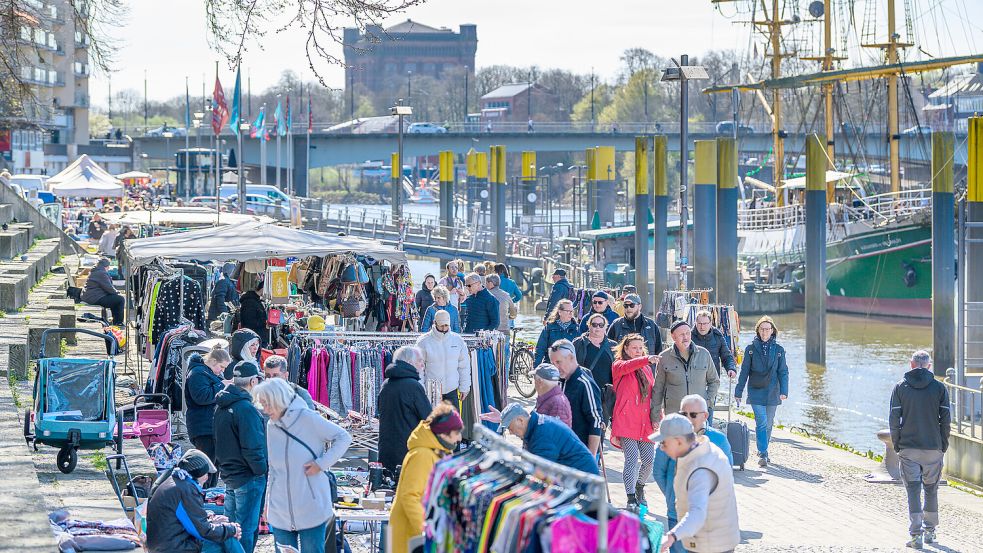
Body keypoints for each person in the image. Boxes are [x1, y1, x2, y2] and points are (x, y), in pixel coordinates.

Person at [252, 378, 352, 553]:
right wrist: (268, 503)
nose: (265, 410)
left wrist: (321, 464)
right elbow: (273, 468)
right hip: (280, 508)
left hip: (311, 506)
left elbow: (343, 437)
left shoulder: (308, 418)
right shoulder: (271, 426)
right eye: (262, 405)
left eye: (267, 404)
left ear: (279, 399)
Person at [653, 395, 733, 552]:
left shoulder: (719, 439)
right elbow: (658, 472)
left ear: (705, 415)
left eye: (693, 414)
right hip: (677, 512)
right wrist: (673, 494)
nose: (688, 418)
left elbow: (726, 474)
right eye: (684, 414)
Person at [889, 350, 950, 549]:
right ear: (929, 366)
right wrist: (943, 444)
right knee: (931, 489)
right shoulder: (940, 388)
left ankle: (916, 536)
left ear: (911, 364)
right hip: (933, 447)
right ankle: (931, 531)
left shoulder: (900, 388)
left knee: (913, 490)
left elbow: (894, 420)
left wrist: (897, 443)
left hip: (908, 448)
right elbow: (946, 421)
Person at [390, 403, 464, 553]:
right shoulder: (423, 455)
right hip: (412, 533)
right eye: (457, 432)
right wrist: (427, 530)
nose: (460, 438)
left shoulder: (437, 452)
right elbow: (410, 496)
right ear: (444, 433)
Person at [213, 361, 268, 553]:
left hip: (230, 473)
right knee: (244, 529)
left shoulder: (222, 404)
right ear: (253, 381)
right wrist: (261, 471)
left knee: (232, 528)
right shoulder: (246, 409)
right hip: (247, 476)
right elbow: (253, 446)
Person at [146, 449, 243, 553]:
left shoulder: (176, 481)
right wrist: (232, 529)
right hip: (173, 548)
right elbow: (203, 531)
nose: (207, 478)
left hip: (166, 543)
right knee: (228, 539)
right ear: (200, 474)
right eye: (206, 474)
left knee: (226, 535)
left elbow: (188, 520)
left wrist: (210, 520)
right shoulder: (186, 489)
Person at [611, 333, 660, 511]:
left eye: (641, 348)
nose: (638, 351)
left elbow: (653, 394)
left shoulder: (646, 368)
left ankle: (640, 486)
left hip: (645, 422)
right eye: (634, 348)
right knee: (631, 459)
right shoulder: (619, 366)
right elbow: (629, 366)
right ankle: (630, 497)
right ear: (625, 349)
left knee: (648, 461)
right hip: (626, 421)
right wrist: (647, 358)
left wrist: (657, 418)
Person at [734, 315, 789, 468]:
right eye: (762, 329)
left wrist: (784, 390)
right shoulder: (750, 350)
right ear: (758, 330)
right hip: (756, 391)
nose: (765, 332)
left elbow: (783, 371)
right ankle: (763, 453)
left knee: (769, 423)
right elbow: (744, 372)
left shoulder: (779, 350)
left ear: (772, 331)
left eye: (767, 329)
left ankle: (763, 450)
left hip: (773, 391)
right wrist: (738, 391)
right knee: (762, 422)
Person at [493, 403, 599, 475]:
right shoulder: (536, 426)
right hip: (577, 475)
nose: (511, 433)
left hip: (584, 481)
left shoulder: (541, 434)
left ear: (520, 420)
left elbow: (542, 473)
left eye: (510, 428)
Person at [377, 346, 433, 472]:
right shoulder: (414, 386)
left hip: (387, 450)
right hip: (407, 452)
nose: (422, 365)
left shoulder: (386, 384)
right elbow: (429, 419)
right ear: (409, 363)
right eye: (419, 361)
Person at [184, 346, 232, 487]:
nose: (222, 371)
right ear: (213, 361)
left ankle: (208, 494)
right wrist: (221, 386)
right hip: (203, 426)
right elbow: (201, 397)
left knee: (213, 465)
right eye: (221, 367)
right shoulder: (197, 373)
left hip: (209, 425)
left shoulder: (206, 372)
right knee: (205, 466)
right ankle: (201, 495)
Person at [654, 320, 720, 421]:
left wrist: (707, 401)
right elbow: (658, 388)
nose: (685, 337)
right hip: (674, 415)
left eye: (688, 333)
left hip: (698, 414)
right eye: (681, 334)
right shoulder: (664, 357)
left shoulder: (704, 353)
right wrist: (655, 416)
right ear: (673, 336)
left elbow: (714, 381)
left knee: (700, 437)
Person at [548, 339, 603, 455]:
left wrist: (591, 457)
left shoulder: (585, 383)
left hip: (579, 452)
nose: (555, 367)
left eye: (559, 362)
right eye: (553, 364)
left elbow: (596, 421)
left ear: (571, 358)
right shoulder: (558, 381)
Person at [416, 310, 471, 405]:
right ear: (435, 323)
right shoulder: (423, 341)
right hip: (431, 391)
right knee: (433, 420)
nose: (444, 328)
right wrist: (420, 389)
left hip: (452, 390)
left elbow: (464, 366)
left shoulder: (457, 340)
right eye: (441, 325)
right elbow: (418, 368)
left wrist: (464, 387)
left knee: (453, 420)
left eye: (446, 325)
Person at [573, 312, 618, 392]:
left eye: (601, 325)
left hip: (606, 393)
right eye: (594, 325)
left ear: (605, 327)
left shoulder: (613, 345)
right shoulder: (578, 343)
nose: (597, 327)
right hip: (584, 389)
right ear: (589, 325)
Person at [691, 310, 738, 379]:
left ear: (710, 324)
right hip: (694, 379)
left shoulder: (717, 336)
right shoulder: (689, 337)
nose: (702, 327)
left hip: (713, 379)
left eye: (705, 324)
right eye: (700, 323)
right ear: (695, 323)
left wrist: (731, 368)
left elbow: (726, 356)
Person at [534, 299, 579, 365]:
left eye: (571, 311)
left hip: (569, 367)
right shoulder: (549, 327)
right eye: (567, 311)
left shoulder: (576, 329)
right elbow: (540, 348)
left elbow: (579, 353)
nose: (570, 313)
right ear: (560, 312)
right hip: (551, 365)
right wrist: (536, 367)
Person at [81, 257, 125, 325]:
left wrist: (115, 293)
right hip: (94, 297)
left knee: (114, 299)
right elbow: (108, 288)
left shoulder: (96, 270)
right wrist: (117, 293)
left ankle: (116, 320)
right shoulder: (101, 273)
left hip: (91, 295)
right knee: (120, 299)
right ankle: (118, 322)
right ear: (106, 266)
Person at [238, 281, 268, 347]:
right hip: (253, 339)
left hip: (256, 338)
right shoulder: (250, 302)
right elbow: (250, 322)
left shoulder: (255, 300)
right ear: (263, 289)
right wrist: (265, 323)